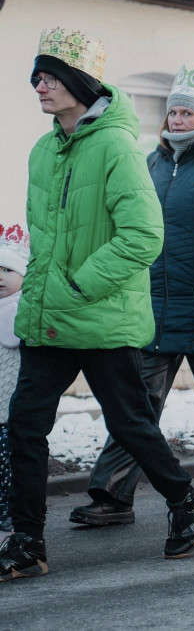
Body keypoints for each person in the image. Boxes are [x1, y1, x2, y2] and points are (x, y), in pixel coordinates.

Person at [2, 29, 194, 581]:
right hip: (49, 317)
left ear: (78, 82)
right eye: (36, 78)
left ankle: (185, 499)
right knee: (25, 428)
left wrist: (76, 287)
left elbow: (143, 236)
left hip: (102, 316)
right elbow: (47, 238)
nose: (39, 87)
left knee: (130, 424)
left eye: (49, 77)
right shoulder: (43, 151)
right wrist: (34, 288)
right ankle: (27, 543)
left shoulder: (116, 146)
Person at [69, 65, 194, 529]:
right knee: (136, 402)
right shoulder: (153, 163)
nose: (178, 120)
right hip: (156, 306)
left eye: (187, 113)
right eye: (173, 112)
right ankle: (112, 494)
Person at [0, 224, 28, 540]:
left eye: (7, 270)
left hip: (9, 411)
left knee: (6, 470)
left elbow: (11, 336)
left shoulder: (20, 305)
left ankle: (7, 524)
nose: (0, 277)